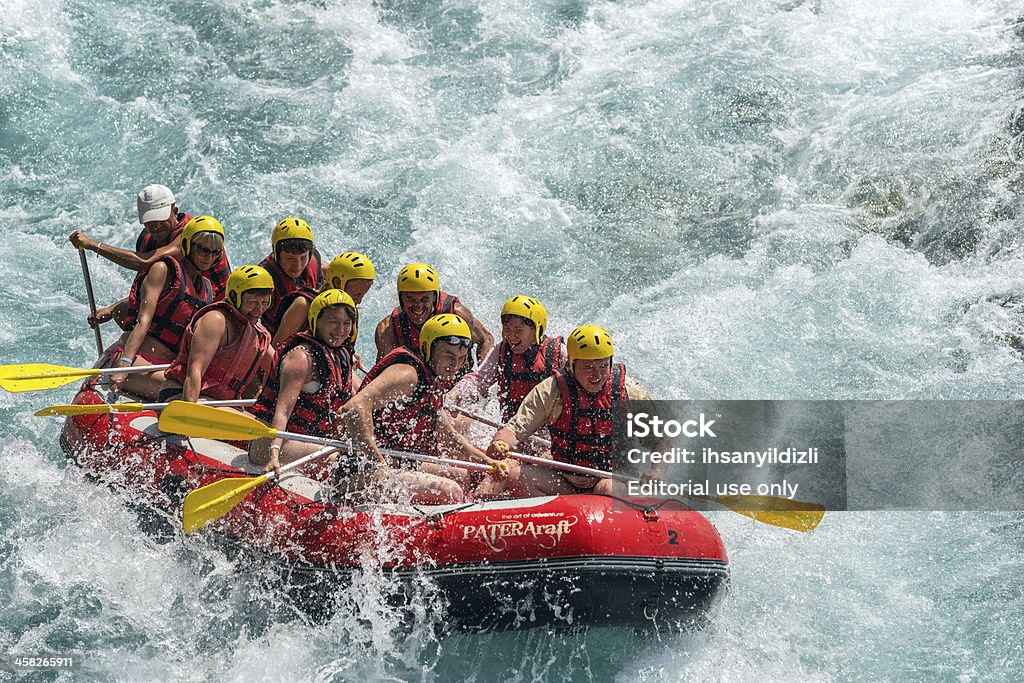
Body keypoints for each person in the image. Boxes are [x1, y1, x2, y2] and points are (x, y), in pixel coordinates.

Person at [482, 325, 668, 497]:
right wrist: (501, 443)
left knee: (606, 488)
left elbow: (663, 441)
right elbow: (515, 429)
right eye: (588, 367)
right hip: (566, 480)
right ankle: (553, 528)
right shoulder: (551, 391)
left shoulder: (628, 392)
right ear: (572, 365)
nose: (597, 375)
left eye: (603, 365)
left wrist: (656, 472)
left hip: (614, 480)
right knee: (517, 477)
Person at [339, 314, 498, 504]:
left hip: (396, 462)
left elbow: (448, 437)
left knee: (462, 476)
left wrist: (487, 461)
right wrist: (378, 463)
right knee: (450, 491)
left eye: (461, 358)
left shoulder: (432, 381)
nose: (454, 365)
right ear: (427, 348)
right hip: (359, 470)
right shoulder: (409, 375)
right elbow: (353, 408)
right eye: (448, 356)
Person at [69, 185, 232, 326]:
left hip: (216, 311)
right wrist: (111, 310)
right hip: (186, 305)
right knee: (121, 312)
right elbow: (153, 289)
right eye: (150, 220)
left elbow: (144, 262)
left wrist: (93, 245)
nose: (155, 226)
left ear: (175, 211)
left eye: (161, 218)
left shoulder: (191, 235)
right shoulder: (148, 240)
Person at [107, 216, 222, 399]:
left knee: (204, 393)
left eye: (215, 252)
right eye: (203, 250)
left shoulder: (207, 290)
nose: (209, 257)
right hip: (137, 358)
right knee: (181, 393)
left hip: (166, 367)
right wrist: (125, 364)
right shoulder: (162, 270)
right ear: (187, 246)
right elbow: (143, 321)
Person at [249, 289, 359, 479]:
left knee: (361, 461)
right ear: (316, 321)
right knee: (346, 466)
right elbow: (282, 411)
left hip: (307, 441)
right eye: (333, 322)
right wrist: (274, 453)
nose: (341, 330)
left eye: (346, 323)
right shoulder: (301, 357)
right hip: (271, 443)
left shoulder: (341, 356)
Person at [159, 265, 275, 403]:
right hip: (182, 394)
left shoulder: (258, 333)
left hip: (218, 402)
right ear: (233, 296)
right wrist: (187, 412)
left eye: (265, 302)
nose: (259, 309)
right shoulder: (215, 321)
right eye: (253, 302)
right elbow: (194, 371)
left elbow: (278, 368)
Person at [450, 296, 566, 431]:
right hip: (511, 434)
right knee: (459, 423)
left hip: (549, 438)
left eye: (518, 330)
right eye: (507, 329)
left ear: (535, 330)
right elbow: (477, 380)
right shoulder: (501, 351)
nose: (511, 335)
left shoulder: (558, 353)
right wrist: (454, 395)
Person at [373, 263, 493, 366]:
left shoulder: (457, 314)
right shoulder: (388, 329)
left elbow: (486, 339)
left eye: (424, 299)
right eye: (411, 299)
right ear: (401, 299)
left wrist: (480, 381)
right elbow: (382, 371)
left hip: (459, 382)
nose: (418, 306)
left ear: (434, 298)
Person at [271, 251, 376, 349]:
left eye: (363, 295)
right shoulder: (304, 305)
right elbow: (277, 349)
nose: (359, 301)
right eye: (356, 294)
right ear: (337, 283)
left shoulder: (349, 312)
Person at [259, 217, 325, 335]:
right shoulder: (263, 280)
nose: (297, 265)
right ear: (276, 253)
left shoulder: (314, 261)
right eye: (290, 258)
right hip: (276, 339)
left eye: (303, 258)